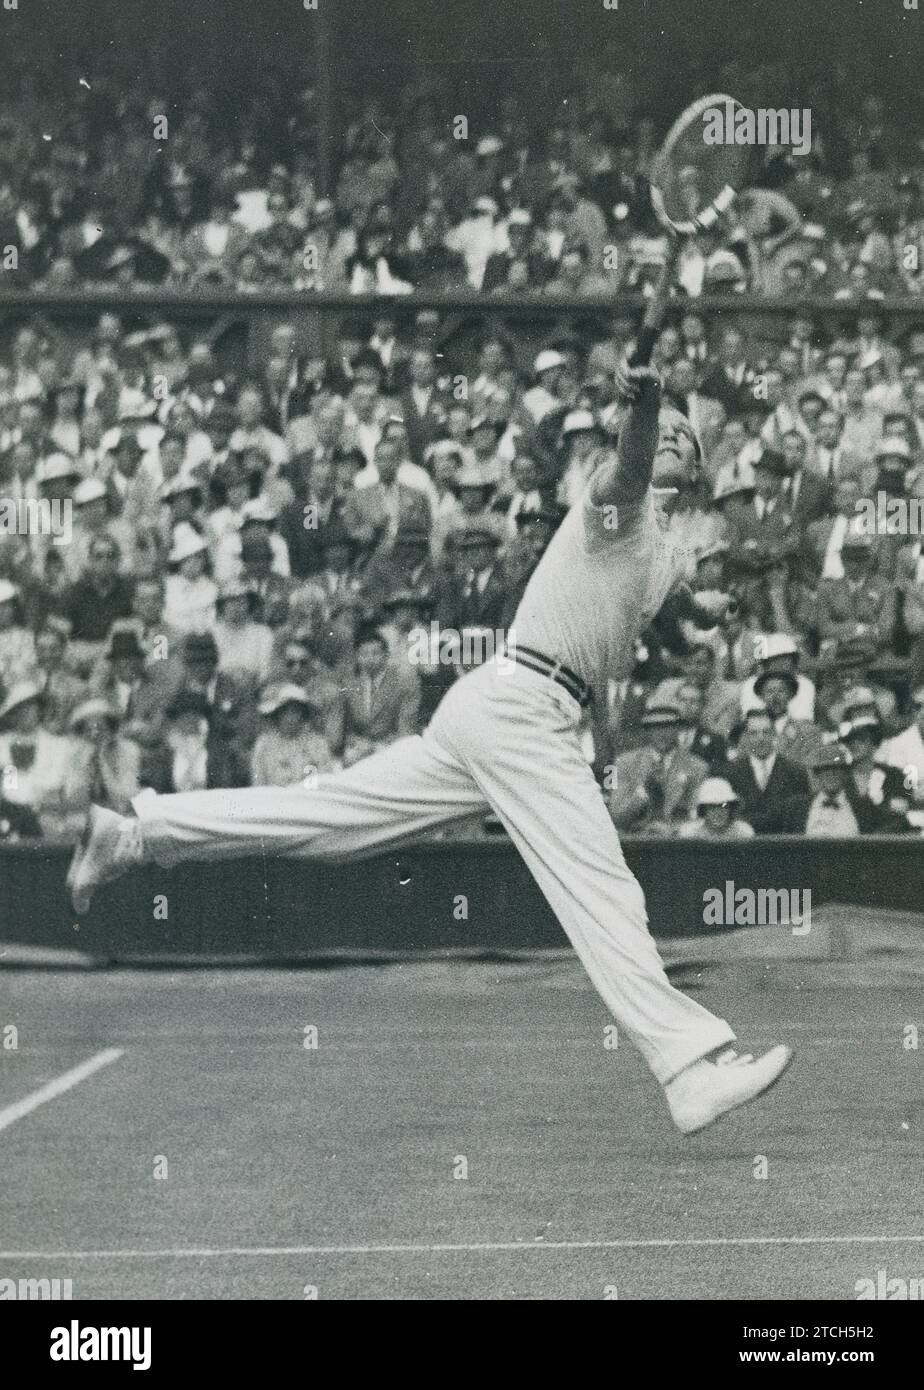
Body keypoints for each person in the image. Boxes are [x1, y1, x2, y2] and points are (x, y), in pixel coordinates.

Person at [68, 245, 792, 1137]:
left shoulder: (654, 552)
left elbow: (664, 608)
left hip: (493, 714)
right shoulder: (612, 499)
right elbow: (631, 467)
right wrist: (643, 411)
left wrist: (705, 608)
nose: (676, 440)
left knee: (328, 823)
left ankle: (137, 833)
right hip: (523, 710)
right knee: (603, 884)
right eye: (664, 430)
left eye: (687, 434)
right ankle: (686, 1068)